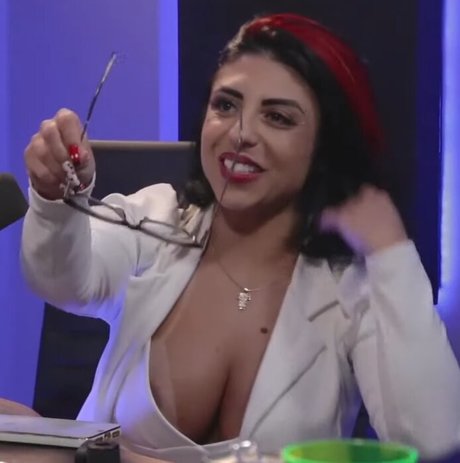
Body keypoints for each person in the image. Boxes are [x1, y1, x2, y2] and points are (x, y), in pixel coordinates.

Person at [21, 12, 460, 463]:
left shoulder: (353, 289)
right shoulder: (156, 217)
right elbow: (61, 281)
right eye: (226, 106)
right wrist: (55, 199)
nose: (241, 134)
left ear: (326, 145)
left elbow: (433, 438)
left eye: (277, 117)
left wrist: (391, 253)